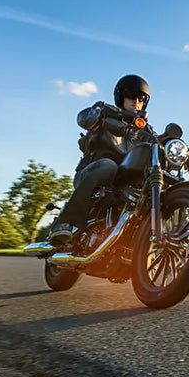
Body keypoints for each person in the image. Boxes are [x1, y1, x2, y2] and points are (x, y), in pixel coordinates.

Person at [48, 74, 151, 247]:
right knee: (109, 166)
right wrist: (99, 112)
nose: (136, 101)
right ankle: (64, 223)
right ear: (121, 96)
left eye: (141, 98)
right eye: (132, 95)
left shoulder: (144, 130)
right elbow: (84, 118)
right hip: (92, 171)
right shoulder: (105, 111)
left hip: (121, 181)